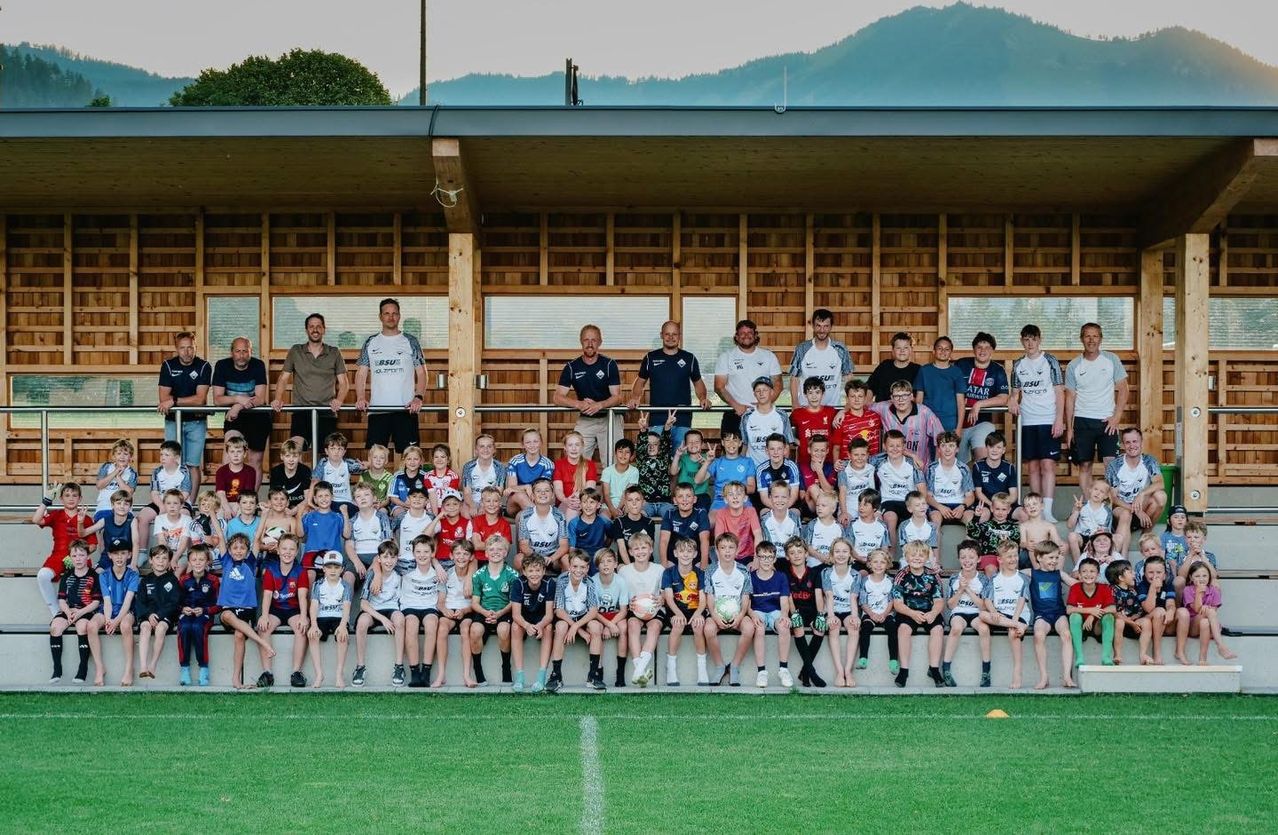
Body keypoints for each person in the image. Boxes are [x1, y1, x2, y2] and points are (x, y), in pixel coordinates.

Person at [354, 298, 427, 453]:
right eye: (386, 313)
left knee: (411, 457)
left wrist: (418, 397)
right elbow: (361, 374)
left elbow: (421, 373)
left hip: (406, 410)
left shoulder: (410, 341)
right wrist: (360, 397)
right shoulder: (370, 342)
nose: (391, 317)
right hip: (378, 410)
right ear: (380, 316)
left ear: (399, 316)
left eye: (394, 313)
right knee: (376, 458)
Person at [1064, 322, 1130, 495]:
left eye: (1095, 336)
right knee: (1084, 465)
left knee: (1111, 464)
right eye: (1087, 336)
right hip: (1082, 421)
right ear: (1081, 339)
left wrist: (1116, 417)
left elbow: (1124, 389)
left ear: (1100, 339)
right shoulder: (1074, 365)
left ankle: (1111, 506)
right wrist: (1069, 429)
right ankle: (1088, 506)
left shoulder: (1111, 360)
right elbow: (1069, 398)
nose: (1091, 340)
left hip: (1107, 421)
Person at [1009, 324, 1066, 522]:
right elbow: (1015, 393)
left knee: (1048, 465)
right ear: (1022, 341)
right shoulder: (1018, 364)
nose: (1030, 343)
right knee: (1032, 467)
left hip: (1048, 419)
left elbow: (1060, 391)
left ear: (1039, 340)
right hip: (1027, 421)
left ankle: (1048, 510)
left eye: (1033, 339)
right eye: (1026, 339)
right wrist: (1012, 400)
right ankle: (1036, 509)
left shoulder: (1050, 361)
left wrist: (1059, 419)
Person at [271, 313, 350, 450]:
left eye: (319, 326)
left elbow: (344, 382)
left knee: (326, 453)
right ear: (306, 329)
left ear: (324, 329)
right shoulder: (296, 351)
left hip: (326, 411)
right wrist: (278, 399)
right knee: (294, 449)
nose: (315, 329)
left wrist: (339, 400)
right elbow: (283, 378)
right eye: (311, 326)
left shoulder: (334, 352)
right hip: (301, 410)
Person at [627, 320, 710, 449]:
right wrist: (635, 398)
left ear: (679, 336)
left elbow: (698, 383)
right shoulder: (650, 358)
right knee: (656, 457)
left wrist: (703, 398)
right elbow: (640, 381)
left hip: (682, 418)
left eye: (674, 334)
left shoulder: (689, 358)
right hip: (657, 418)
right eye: (667, 334)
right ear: (661, 335)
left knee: (680, 458)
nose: (671, 338)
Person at [554, 324, 624, 465]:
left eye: (594, 340)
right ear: (581, 341)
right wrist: (578, 404)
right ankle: (579, 488)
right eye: (586, 340)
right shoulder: (572, 367)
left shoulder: (609, 364)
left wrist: (600, 405)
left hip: (609, 417)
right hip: (586, 418)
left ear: (600, 342)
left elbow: (617, 397)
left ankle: (612, 488)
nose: (590, 344)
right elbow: (557, 397)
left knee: (613, 463)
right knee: (576, 459)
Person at [157, 330, 212, 497]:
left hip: (196, 422)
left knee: (193, 464)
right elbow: (163, 398)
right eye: (183, 348)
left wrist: (174, 401)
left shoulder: (204, 366)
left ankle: (190, 504)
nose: (187, 352)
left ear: (195, 347)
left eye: (190, 348)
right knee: (171, 462)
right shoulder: (168, 365)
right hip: (173, 421)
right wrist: (171, 401)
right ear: (177, 348)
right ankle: (171, 501)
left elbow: (200, 399)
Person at [218, 533, 276, 688]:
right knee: (228, 615)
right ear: (229, 550)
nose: (238, 551)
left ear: (247, 550)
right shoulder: (226, 562)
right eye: (235, 548)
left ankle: (236, 678)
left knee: (239, 634)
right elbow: (220, 535)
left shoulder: (250, 563)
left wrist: (264, 514)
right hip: (228, 609)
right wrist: (211, 512)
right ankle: (262, 642)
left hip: (246, 609)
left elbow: (257, 539)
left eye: (242, 548)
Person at [256, 534, 311, 688]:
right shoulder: (271, 570)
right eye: (284, 548)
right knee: (263, 627)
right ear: (278, 551)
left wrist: (304, 617)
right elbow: (267, 595)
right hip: (276, 609)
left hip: (293, 609)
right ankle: (267, 673)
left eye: (292, 549)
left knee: (301, 628)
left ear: (296, 551)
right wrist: (264, 616)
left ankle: (296, 672)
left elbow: (302, 596)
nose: (288, 552)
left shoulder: (300, 571)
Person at [702, 533, 755, 687]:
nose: (727, 551)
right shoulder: (711, 570)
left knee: (749, 627)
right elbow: (709, 597)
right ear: (717, 551)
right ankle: (719, 666)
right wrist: (715, 617)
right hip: (716, 613)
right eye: (723, 548)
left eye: (731, 547)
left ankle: (735, 666)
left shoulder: (743, 570)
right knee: (709, 628)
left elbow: (746, 598)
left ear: (737, 550)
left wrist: (739, 617)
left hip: (738, 613)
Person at [1105, 427, 1169, 555]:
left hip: (1142, 506)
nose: (1132, 445)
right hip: (1121, 508)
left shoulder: (1149, 461)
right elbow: (1115, 499)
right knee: (1125, 514)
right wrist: (1135, 510)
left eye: (1135, 441)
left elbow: (1160, 483)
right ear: (1122, 445)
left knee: (1160, 496)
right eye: (1128, 442)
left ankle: (1145, 535)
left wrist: (1142, 494)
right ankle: (1122, 557)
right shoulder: (1115, 465)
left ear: (1141, 442)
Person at [47, 540, 103, 684]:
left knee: (82, 627)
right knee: (55, 627)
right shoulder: (67, 576)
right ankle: (57, 669)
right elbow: (61, 600)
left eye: (81, 555)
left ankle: (82, 668)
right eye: (75, 555)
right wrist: (68, 611)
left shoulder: (94, 576)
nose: (78, 559)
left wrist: (79, 613)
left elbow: (96, 602)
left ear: (87, 557)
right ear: (70, 558)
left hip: (86, 610)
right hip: (68, 610)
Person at [212, 337, 270, 474]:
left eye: (245, 351)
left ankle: (251, 496)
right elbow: (217, 400)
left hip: (257, 417)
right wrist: (239, 398)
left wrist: (238, 406)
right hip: (234, 417)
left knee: (254, 461)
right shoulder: (222, 365)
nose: (241, 355)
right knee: (229, 457)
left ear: (250, 352)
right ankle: (227, 495)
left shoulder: (258, 365)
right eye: (238, 351)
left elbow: (260, 398)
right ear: (232, 352)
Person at [892, 539, 946, 688]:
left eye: (921, 555)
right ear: (907, 557)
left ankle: (934, 669)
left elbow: (939, 601)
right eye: (913, 555)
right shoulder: (901, 575)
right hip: (908, 611)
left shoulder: (933, 576)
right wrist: (912, 613)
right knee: (903, 629)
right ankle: (904, 670)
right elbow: (897, 603)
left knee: (938, 629)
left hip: (929, 611)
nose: (917, 558)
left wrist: (933, 613)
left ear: (927, 558)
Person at [713, 319, 781, 437]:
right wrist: (736, 406)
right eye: (742, 333)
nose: (746, 336)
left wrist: (765, 404)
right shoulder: (726, 357)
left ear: (755, 336)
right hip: (734, 413)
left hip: (763, 413)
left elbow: (778, 384)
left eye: (749, 332)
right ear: (737, 337)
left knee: (765, 451)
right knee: (732, 452)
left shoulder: (768, 356)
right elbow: (719, 387)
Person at [468, 534, 518, 686]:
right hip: (484, 612)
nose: (495, 552)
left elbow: (513, 602)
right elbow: (475, 603)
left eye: (499, 549)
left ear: (505, 553)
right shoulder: (478, 575)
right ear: (486, 553)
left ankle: (506, 667)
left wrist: (499, 614)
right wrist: (486, 613)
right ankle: (477, 668)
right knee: (475, 630)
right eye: (491, 549)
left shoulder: (512, 575)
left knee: (504, 630)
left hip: (504, 612)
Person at [353, 543, 406, 687]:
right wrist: (382, 619)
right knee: (362, 622)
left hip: (392, 608)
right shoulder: (372, 575)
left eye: (393, 557)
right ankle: (360, 667)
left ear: (397, 559)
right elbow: (363, 604)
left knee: (400, 619)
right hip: (373, 610)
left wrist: (389, 618)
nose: (389, 561)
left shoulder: (399, 574)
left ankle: (399, 667)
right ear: (379, 559)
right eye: (385, 557)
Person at [551, 549, 604, 691]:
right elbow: (559, 611)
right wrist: (578, 629)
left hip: (582, 617)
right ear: (569, 566)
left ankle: (593, 675)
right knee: (561, 627)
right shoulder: (562, 580)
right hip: (566, 617)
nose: (578, 570)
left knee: (595, 627)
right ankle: (556, 675)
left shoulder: (590, 582)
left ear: (587, 568)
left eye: (582, 567)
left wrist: (576, 627)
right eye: (575, 566)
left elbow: (593, 611)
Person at [981, 540, 1032, 689]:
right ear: (1000, 559)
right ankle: (1018, 626)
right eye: (1009, 556)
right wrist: (993, 612)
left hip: (1018, 614)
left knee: (1012, 633)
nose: (1013, 559)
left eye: (1015, 556)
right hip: (1000, 614)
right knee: (983, 615)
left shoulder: (1022, 578)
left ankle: (1017, 673)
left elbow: (1022, 600)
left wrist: (1015, 619)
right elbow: (987, 599)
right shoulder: (994, 578)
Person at [954, 331, 1010, 465]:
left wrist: (978, 404)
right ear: (974, 349)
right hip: (958, 424)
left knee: (983, 459)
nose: (982, 351)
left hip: (982, 423)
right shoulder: (961, 365)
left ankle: (983, 486)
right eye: (979, 347)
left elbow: (1003, 398)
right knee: (958, 465)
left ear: (992, 351)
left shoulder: (997, 370)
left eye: (987, 347)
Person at [941, 541, 992, 687]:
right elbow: (950, 605)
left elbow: (984, 606)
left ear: (978, 559)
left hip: (977, 613)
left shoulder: (983, 579)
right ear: (959, 559)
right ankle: (946, 668)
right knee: (956, 628)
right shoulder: (954, 579)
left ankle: (986, 671)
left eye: (971, 557)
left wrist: (968, 590)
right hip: (959, 612)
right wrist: (960, 590)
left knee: (984, 629)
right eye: (963, 557)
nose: (967, 561)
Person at [1027, 541, 1075, 689]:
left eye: (1056, 558)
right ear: (1039, 557)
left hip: (1059, 613)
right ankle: (1044, 676)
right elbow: (1010, 573)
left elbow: (1075, 584)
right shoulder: (1032, 573)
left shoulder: (1059, 573)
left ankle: (1067, 676)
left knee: (1066, 634)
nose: (1054, 561)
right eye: (1050, 558)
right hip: (1042, 614)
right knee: (1039, 635)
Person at [661, 536, 707, 686]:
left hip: (695, 609)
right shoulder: (668, 572)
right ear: (675, 554)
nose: (686, 554)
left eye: (689, 551)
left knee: (698, 626)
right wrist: (678, 614)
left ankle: (702, 669)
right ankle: (671, 668)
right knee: (678, 624)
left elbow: (703, 598)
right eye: (682, 551)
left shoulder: (700, 573)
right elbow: (668, 597)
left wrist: (698, 614)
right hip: (676, 609)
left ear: (695, 554)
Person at [747, 541, 794, 688]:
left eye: (770, 557)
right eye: (763, 557)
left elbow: (784, 602)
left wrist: (785, 615)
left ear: (774, 559)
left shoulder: (781, 577)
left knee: (784, 626)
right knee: (759, 628)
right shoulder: (751, 577)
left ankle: (783, 669)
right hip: (757, 611)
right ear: (757, 558)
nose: (766, 560)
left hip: (775, 611)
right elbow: (746, 603)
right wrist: (753, 615)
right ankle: (762, 672)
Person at [400, 535, 445, 688]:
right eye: (418, 551)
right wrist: (378, 575)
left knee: (432, 625)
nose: (422, 555)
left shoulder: (439, 571)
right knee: (411, 625)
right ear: (413, 553)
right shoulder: (405, 567)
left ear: (433, 553)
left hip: (430, 606)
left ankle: (426, 671)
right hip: (410, 606)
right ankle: (414, 672)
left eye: (426, 552)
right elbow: (378, 561)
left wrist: (437, 565)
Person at [619, 532, 664, 686]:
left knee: (655, 627)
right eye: (636, 549)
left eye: (644, 548)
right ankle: (640, 669)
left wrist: (662, 599)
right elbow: (621, 594)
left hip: (654, 609)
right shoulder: (624, 571)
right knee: (632, 625)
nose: (640, 552)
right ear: (630, 552)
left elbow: (665, 593)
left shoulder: (659, 569)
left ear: (651, 549)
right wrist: (627, 603)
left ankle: (639, 670)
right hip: (634, 610)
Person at [868, 381, 944, 471]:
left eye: (905, 395)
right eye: (896, 396)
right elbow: (862, 406)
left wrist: (937, 467)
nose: (901, 400)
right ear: (891, 398)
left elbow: (941, 439)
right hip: (892, 469)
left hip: (919, 469)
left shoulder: (925, 412)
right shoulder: (883, 408)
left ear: (911, 396)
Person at [432, 540, 476, 688]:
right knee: (442, 628)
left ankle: (466, 675)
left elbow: (476, 603)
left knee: (465, 629)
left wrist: (464, 611)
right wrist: (446, 611)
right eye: (457, 553)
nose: (461, 557)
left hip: (467, 611)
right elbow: (440, 602)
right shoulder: (446, 574)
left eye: (465, 554)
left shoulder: (474, 576)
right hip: (449, 610)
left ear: (471, 557)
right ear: (451, 556)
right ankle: (441, 674)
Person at [510, 552, 557, 693]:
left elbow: (549, 615)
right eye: (530, 570)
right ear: (524, 571)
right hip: (524, 619)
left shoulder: (549, 583)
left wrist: (540, 625)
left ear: (544, 571)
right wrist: (527, 626)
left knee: (549, 628)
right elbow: (516, 614)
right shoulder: (518, 583)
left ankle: (541, 676)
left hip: (542, 619)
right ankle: (519, 676)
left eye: (538, 570)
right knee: (515, 627)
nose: (534, 574)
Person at [789, 309, 854, 408]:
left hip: (833, 407)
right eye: (818, 326)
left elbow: (848, 377)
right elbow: (794, 378)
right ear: (813, 326)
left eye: (826, 326)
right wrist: (795, 403)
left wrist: (849, 402)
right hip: (806, 407)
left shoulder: (840, 349)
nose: (822, 330)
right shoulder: (802, 348)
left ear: (831, 327)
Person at [306, 550, 353, 689]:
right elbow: (314, 606)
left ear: (342, 569)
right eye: (329, 567)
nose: (333, 570)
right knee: (312, 635)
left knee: (342, 636)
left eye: (336, 567)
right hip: (322, 617)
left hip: (339, 617)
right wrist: (313, 625)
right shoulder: (318, 585)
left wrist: (343, 625)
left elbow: (346, 607)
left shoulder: (345, 586)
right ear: (323, 568)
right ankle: (319, 674)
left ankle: (339, 674)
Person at [784, 536, 826, 688]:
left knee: (821, 628)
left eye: (800, 552)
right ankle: (812, 673)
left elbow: (818, 595)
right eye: (792, 553)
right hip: (795, 610)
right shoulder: (786, 574)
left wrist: (821, 614)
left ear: (806, 554)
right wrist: (794, 613)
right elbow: (788, 597)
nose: (796, 555)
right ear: (788, 557)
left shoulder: (814, 573)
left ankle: (805, 671)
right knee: (798, 625)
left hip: (812, 609)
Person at [135, 546, 182, 683]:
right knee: (145, 628)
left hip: (165, 616)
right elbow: (140, 602)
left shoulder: (172, 580)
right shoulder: (145, 581)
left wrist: (160, 615)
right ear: (150, 560)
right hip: (147, 615)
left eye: (164, 558)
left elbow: (174, 602)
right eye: (157, 558)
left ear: (169, 562)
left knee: (161, 628)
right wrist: (149, 615)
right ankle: (143, 666)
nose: (160, 561)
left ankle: (153, 665)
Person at [1176, 561, 1236, 665]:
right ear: (1191, 577)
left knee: (1205, 622)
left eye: (1204, 575)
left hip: (1207, 625)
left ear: (1209, 577)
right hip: (1192, 626)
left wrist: (1207, 609)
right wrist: (1199, 593)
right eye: (1197, 576)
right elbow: (1196, 610)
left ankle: (1202, 659)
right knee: (1209, 613)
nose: (1201, 578)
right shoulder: (1188, 590)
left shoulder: (1213, 590)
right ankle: (1220, 645)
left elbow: (1213, 614)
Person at [822, 538, 861, 688]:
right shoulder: (826, 572)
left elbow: (853, 598)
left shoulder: (856, 575)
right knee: (833, 627)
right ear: (832, 554)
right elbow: (829, 596)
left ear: (851, 554)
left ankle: (848, 670)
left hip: (848, 609)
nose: (841, 555)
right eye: (837, 551)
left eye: (845, 551)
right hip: (832, 609)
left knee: (853, 627)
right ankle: (839, 671)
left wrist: (855, 616)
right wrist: (831, 616)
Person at [178, 545, 219, 686]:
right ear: (189, 562)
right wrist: (183, 609)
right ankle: (184, 669)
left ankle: (203, 669)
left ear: (208, 561)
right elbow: (176, 602)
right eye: (194, 559)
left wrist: (205, 610)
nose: (197, 562)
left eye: (201, 559)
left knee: (197, 627)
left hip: (205, 615)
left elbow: (219, 604)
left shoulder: (213, 580)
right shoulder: (183, 580)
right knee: (184, 627)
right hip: (187, 615)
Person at [98, 542, 138, 686]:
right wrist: (109, 620)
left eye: (123, 553)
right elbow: (107, 601)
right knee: (91, 626)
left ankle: (128, 669)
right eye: (115, 554)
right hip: (109, 609)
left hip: (126, 610)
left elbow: (127, 603)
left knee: (125, 625)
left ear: (129, 555)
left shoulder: (133, 575)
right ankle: (99, 668)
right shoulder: (104, 575)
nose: (119, 557)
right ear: (109, 555)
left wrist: (116, 622)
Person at [592, 549, 631, 688]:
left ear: (615, 564)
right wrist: (608, 625)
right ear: (597, 566)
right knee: (596, 629)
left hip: (615, 615)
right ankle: (599, 671)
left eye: (609, 561)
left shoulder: (620, 581)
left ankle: (620, 673)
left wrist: (612, 624)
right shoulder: (593, 581)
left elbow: (623, 610)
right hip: (599, 616)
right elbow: (593, 612)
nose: (605, 565)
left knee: (623, 627)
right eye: (601, 562)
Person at [1067, 557, 1115, 666]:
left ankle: (1106, 657)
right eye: (1084, 571)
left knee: (1109, 617)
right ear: (1079, 574)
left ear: (1098, 575)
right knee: (1074, 616)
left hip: (1097, 626)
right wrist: (1090, 610)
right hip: (1081, 627)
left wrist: (1092, 615)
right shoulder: (1075, 587)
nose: (1088, 574)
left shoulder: (1104, 588)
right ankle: (1079, 657)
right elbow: (1069, 609)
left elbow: (1113, 608)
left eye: (1092, 571)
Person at [856, 549, 898, 674]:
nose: (878, 565)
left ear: (888, 564)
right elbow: (863, 602)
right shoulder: (865, 581)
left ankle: (894, 661)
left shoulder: (890, 581)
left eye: (882, 562)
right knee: (865, 628)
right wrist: (872, 614)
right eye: (875, 562)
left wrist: (884, 614)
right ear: (869, 564)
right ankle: (863, 658)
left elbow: (891, 601)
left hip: (887, 613)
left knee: (892, 628)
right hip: (870, 613)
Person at [913, 336, 967, 433]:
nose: (943, 351)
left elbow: (960, 402)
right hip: (928, 420)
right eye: (939, 348)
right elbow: (919, 399)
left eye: (947, 349)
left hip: (950, 421)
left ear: (951, 352)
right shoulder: (924, 370)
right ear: (934, 351)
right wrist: (917, 422)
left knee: (947, 448)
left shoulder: (956, 372)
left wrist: (959, 428)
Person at [516, 478, 569, 571]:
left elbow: (564, 545)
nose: (543, 493)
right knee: (518, 559)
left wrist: (551, 558)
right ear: (532, 496)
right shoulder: (525, 515)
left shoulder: (559, 515)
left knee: (566, 559)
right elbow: (523, 545)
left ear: (552, 495)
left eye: (547, 490)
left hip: (553, 557)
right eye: (538, 491)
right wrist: (538, 558)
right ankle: (524, 584)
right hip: (533, 555)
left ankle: (563, 583)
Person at [740, 378, 792, 469]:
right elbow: (744, 444)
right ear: (754, 394)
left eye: (765, 390)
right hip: (753, 469)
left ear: (771, 392)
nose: (761, 393)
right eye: (758, 391)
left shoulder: (782, 415)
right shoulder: (747, 416)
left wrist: (784, 469)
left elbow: (787, 445)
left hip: (776, 468)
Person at [1137, 551, 1177, 665]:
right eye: (1150, 572)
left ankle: (1180, 651)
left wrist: (1171, 610)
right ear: (1144, 574)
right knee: (1159, 610)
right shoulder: (1142, 586)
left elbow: (1170, 603)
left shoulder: (1168, 585)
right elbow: (1148, 609)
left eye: (1159, 572)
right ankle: (1157, 652)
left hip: (1162, 620)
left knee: (1179, 612)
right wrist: (1153, 589)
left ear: (1164, 575)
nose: (1155, 575)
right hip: (1146, 619)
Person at [461, 434, 507, 519]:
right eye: (482, 446)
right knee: (465, 512)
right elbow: (467, 491)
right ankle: (470, 531)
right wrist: (472, 505)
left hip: (491, 500)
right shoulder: (468, 466)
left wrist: (484, 504)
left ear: (494, 450)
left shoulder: (500, 467)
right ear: (476, 450)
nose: (486, 449)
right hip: (472, 499)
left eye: (489, 446)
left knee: (488, 512)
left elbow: (498, 491)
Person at [865, 332, 919, 403]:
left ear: (911, 350)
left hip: (908, 411)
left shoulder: (917, 370)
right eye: (898, 348)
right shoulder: (884, 366)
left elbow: (921, 397)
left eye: (906, 347)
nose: (902, 350)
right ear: (893, 350)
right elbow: (870, 387)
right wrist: (867, 404)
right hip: (882, 411)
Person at [214, 434, 257, 521]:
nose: (236, 455)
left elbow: (246, 494)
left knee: (243, 513)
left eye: (239, 451)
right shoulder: (221, 471)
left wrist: (235, 509)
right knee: (218, 515)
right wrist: (227, 509)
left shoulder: (250, 471)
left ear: (245, 454)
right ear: (228, 454)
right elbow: (220, 493)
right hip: (225, 502)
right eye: (232, 452)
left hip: (243, 502)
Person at [599, 439, 640, 519]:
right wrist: (613, 510)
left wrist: (618, 509)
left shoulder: (634, 471)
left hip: (626, 503)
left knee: (631, 513)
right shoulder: (607, 471)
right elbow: (606, 494)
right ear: (615, 453)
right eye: (620, 451)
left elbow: (627, 493)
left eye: (627, 452)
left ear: (631, 455)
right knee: (603, 518)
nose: (623, 455)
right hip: (608, 504)